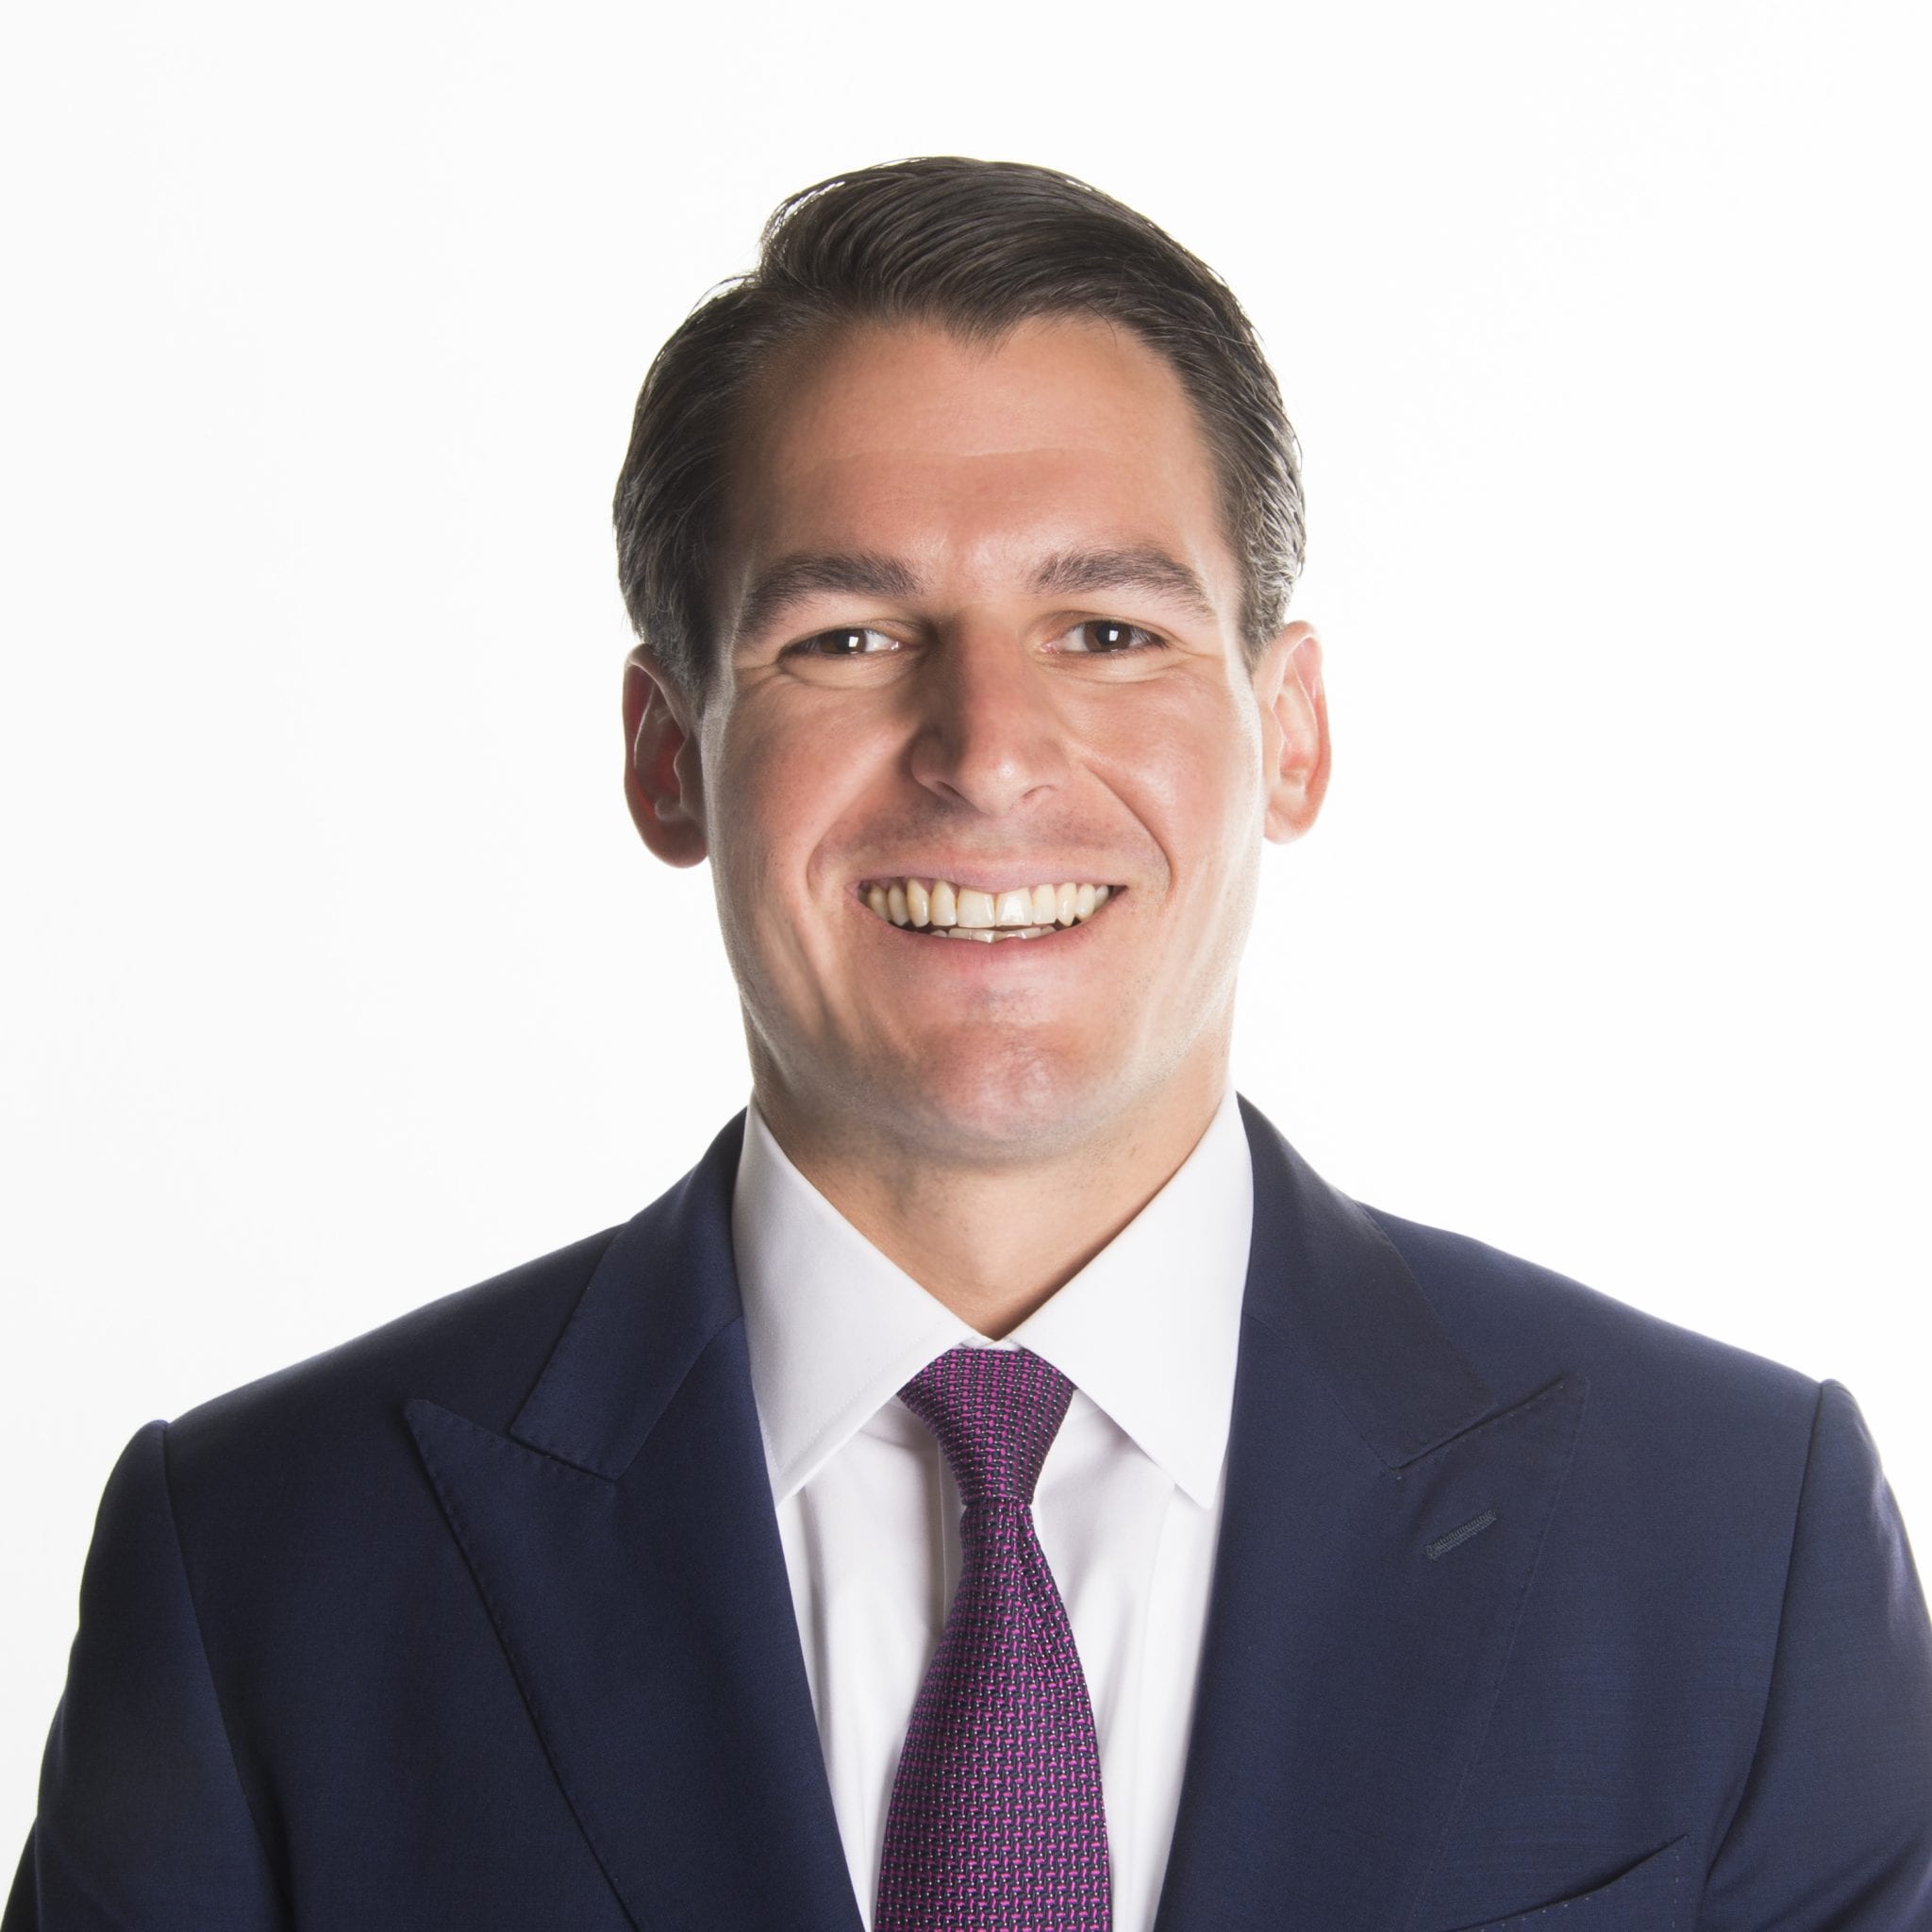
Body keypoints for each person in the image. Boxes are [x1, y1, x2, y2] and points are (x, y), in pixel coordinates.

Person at [6, 156, 1929, 1932]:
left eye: (1106, 631)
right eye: (847, 639)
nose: (988, 751)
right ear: (668, 756)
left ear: (1291, 734)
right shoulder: (260, 1566)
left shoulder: (1731, 1541)